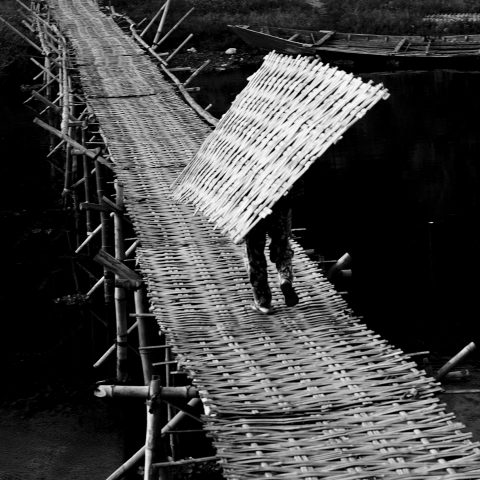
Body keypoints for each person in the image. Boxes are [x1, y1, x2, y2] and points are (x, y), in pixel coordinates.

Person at [244, 193, 299, 314]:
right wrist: (287, 224)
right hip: (277, 206)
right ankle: (285, 278)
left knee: (255, 256)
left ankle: (263, 302)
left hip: (253, 210)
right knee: (282, 249)